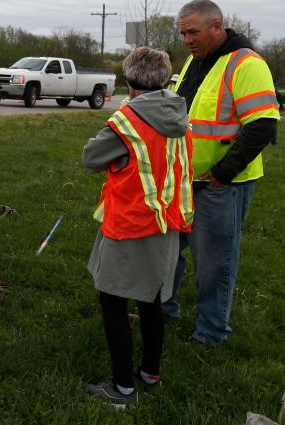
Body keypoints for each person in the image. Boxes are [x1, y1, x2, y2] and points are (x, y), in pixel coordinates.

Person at [81, 47, 194, 408]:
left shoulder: (127, 121)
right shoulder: (180, 114)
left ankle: (121, 389)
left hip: (131, 223)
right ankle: (150, 373)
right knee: (151, 301)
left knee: (112, 300)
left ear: (129, 82)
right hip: (167, 224)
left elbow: (91, 158)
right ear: (166, 78)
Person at [162, 0, 280, 345]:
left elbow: (262, 125)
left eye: (193, 32)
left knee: (214, 263)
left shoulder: (246, 63)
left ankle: (211, 332)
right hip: (185, 180)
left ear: (217, 26)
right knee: (169, 251)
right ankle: (164, 310)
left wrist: (223, 173)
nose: (187, 39)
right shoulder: (194, 62)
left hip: (221, 184)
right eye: (183, 33)